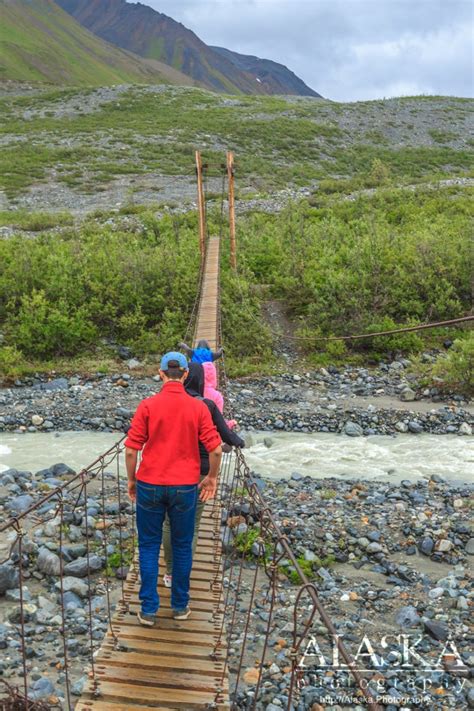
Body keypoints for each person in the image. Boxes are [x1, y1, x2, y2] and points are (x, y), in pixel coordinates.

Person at [125, 352, 222, 626]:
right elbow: (215, 450)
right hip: (184, 487)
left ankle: (148, 610)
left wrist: (132, 480)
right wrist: (211, 478)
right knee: (181, 546)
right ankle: (180, 606)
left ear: (161, 373)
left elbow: (131, 450)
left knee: (147, 545)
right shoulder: (199, 407)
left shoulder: (147, 405)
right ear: (186, 375)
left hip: (149, 485)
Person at [161, 362, 244, 586]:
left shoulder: (165, 402)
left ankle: (169, 572)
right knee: (192, 526)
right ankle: (182, 574)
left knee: (169, 523)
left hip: (169, 472)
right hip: (200, 474)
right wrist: (239, 443)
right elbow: (227, 436)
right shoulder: (207, 405)